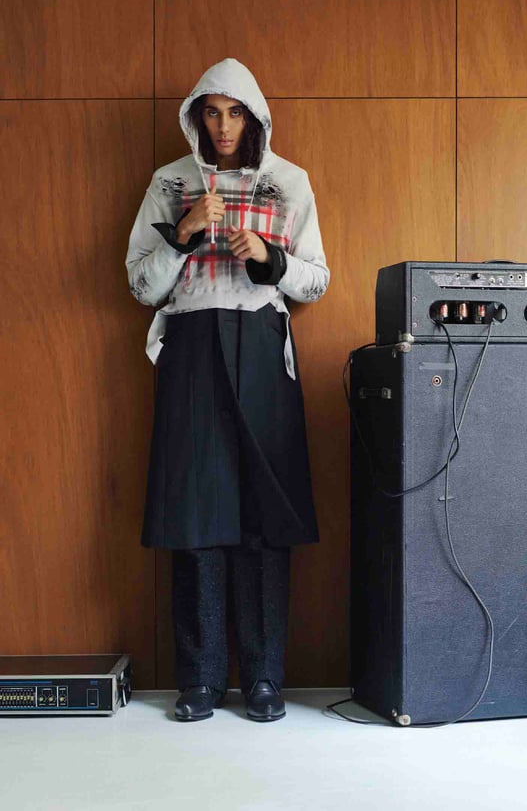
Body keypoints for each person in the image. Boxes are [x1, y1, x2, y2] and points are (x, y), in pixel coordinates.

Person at [126, 58, 329, 723]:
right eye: (211, 112)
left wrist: (269, 259)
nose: (222, 126)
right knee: (195, 516)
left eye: (234, 112)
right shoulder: (170, 183)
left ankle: (264, 678)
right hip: (189, 348)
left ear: (254, 117)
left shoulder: (289, 182)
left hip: (263, 347)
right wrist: (184, 234)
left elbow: (318, 279)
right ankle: (201, 680)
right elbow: (140, 285)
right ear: (195, 117)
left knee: (264, 518)